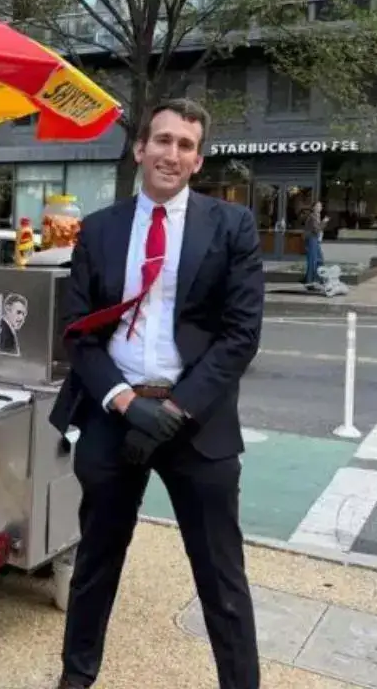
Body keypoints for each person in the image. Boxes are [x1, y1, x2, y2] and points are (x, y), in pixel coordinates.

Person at [49, 97, 264, 689]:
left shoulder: (232, 227)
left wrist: (176, 408)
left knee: (221, 576)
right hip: (115, 414)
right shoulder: (99, 229)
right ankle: (76, 678)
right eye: (163, 140)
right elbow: (79, 334)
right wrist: (123, 402)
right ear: (140, 147)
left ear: (198, 160)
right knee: (95, 562)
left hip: (196, 419)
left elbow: (241, 336)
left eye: (186, 145)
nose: (172, 154)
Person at [302, 201, 327, 288]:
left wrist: (322, 223)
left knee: (319, 259)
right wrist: (324, 222)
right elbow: (316, 230)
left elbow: (318, 230)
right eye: (318, 206)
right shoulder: (312, 217)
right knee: (313, 261)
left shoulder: (317, 216)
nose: (320, 208)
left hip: (315, 240)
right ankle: (310, 281)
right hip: (311, 240)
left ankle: (318, 279)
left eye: (320, 206)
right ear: (313, 208)